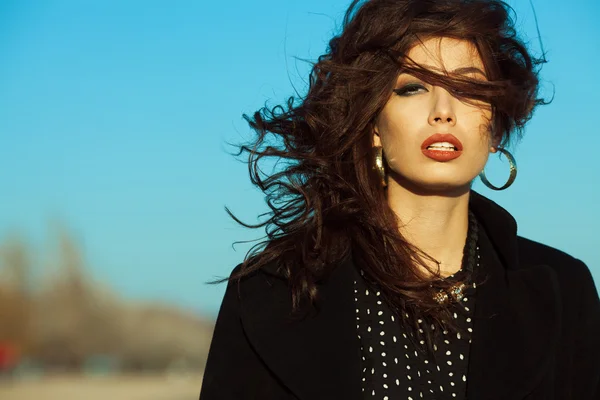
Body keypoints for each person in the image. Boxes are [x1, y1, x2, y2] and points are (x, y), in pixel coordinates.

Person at [199, 0, 600, 399]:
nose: (443, 111)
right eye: (413, 88)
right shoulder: (271, 294)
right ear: (373, 123)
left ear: (494, 128)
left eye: (467, 88)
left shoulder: (565, 291)